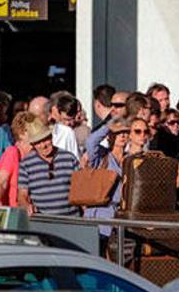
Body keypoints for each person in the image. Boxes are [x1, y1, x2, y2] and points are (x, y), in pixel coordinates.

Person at [18, 118, 80, 216]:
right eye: (38, 142)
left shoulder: (69, 158)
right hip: (43, 221)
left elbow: (80, 189)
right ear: (33, 145)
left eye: (45, 139)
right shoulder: (26, 164)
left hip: (71, 219)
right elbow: (22, 194)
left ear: (51, 137)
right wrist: (26, 205)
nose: (43, 145)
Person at [84, 118, 131, 246]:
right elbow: (90, 142)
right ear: (109, 136)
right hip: (99, 214)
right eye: (117, 132)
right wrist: (109, 126)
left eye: (125, 132)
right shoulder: (101, 156)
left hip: (120, 217)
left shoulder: (131, 159)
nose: (122, 135)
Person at [0, 112, 37, 207]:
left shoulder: (36, 153)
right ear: (21, 133)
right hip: (13, 211)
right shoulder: (12, 153)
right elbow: (1, 183)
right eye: (32, 129)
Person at [47, 93, 82, 161]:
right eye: (65, 119)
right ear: (58, 113)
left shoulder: (68, 131)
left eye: (71, 119)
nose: (67, 123)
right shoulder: (66, 131)